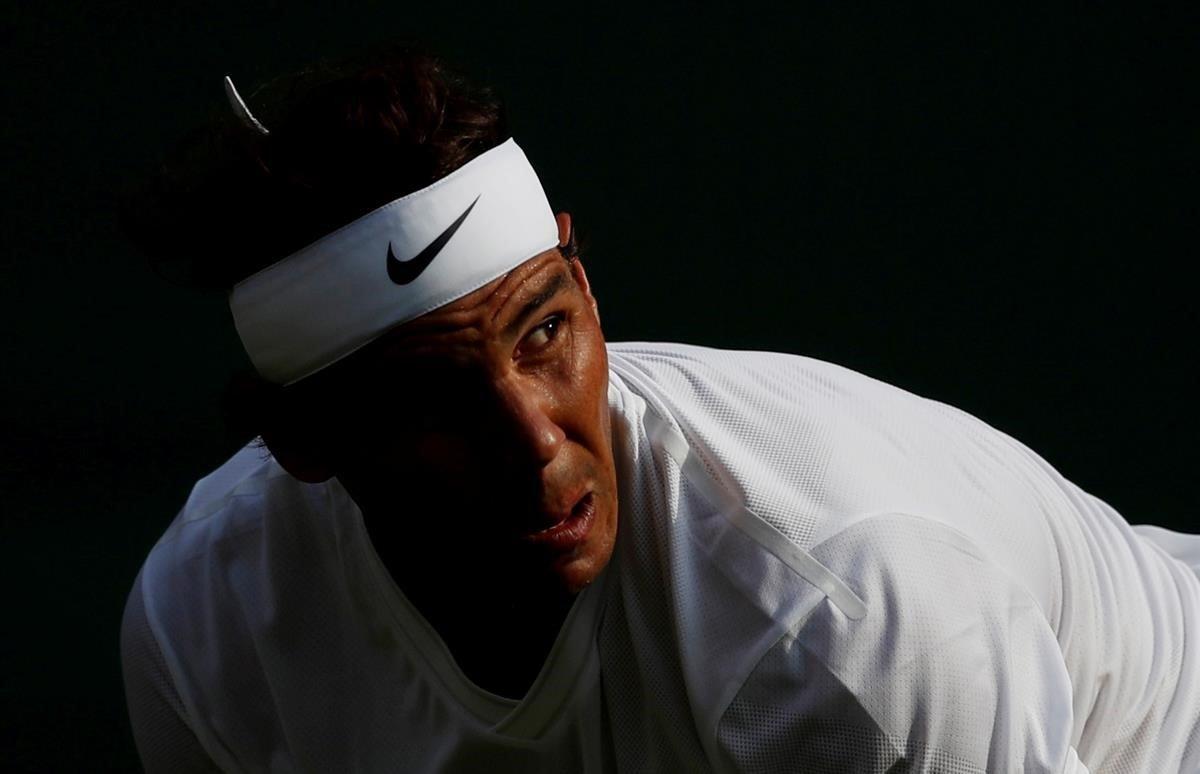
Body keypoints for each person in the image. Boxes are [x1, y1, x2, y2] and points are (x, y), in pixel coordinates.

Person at [119, 44, 1200, 773]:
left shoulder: (846, 622)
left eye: (544, 333)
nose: (535, 444)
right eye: (431, 399)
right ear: (309, 443)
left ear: (586, 291)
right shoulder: (209, 626)